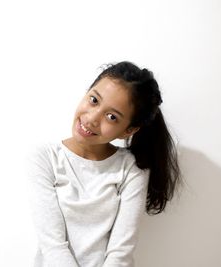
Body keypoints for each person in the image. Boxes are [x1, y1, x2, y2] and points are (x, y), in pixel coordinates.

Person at [27, 61, 181, 267]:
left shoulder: (132, 169)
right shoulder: (45, 158)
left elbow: (120, 253)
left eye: (111, 117)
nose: (91, 119)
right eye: (93, 100)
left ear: (129, 130)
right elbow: (53, 246)